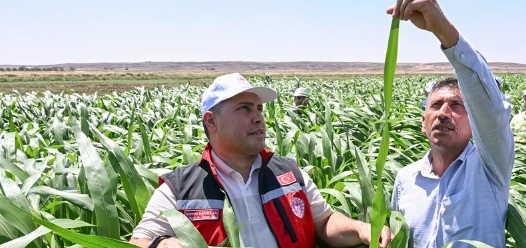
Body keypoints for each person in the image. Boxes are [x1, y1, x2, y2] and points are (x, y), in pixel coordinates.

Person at [129, 73, 392, 248]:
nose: (258, 118)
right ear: (211, 121)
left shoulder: (289, 173)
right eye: (244, 108)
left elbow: (324, 221)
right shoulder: (179, 189)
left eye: (259, 109)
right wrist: (161, 244)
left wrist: (361, 229)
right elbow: (138, 241)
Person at [387, 0, 514, 247]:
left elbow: (491, 110)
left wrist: (443, 30)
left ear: (475, 122)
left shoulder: (490, 168)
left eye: (457, 106)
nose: (444, 112)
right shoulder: (405, 179)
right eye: (435, 105)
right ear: (423, 123)